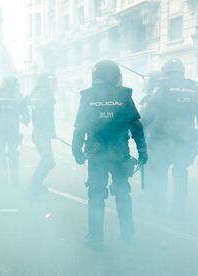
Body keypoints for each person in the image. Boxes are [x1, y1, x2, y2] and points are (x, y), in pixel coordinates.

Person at [72, 60, 148, 250]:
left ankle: (95, 240)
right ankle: (128, 236)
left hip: (97, 155)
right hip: (120, 154)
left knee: (96, 196)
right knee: (123, 194)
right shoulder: (123, 95)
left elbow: (80, 127)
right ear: (114, 76)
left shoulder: (88, 97)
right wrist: (142, 151)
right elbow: (136, 126)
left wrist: (77, 150)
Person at [141, 59, 198, 218]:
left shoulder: (162, 87)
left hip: (163, 139)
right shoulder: (193, 87)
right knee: (181, 172)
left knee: (161, 172)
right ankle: (178, 209)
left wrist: (138, 129)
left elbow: (149, 111)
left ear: (166, 71)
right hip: (185, 140)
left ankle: (159, 207)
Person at [0, 76, 30, 187]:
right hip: (13, 131)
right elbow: (26, 116)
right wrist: (23, 119)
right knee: (13, 154)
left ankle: (3, 179)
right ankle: (14, 180)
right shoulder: (17, 96)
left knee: (0, 154)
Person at [27, 72, 57, 195]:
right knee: (48, 160)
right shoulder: (45, 94)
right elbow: (47, 114)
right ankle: (34, 186)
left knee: (48, 160)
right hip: (41, 133)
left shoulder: (35, 93)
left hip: (39, 132)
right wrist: (51, 130)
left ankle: (35, 185)